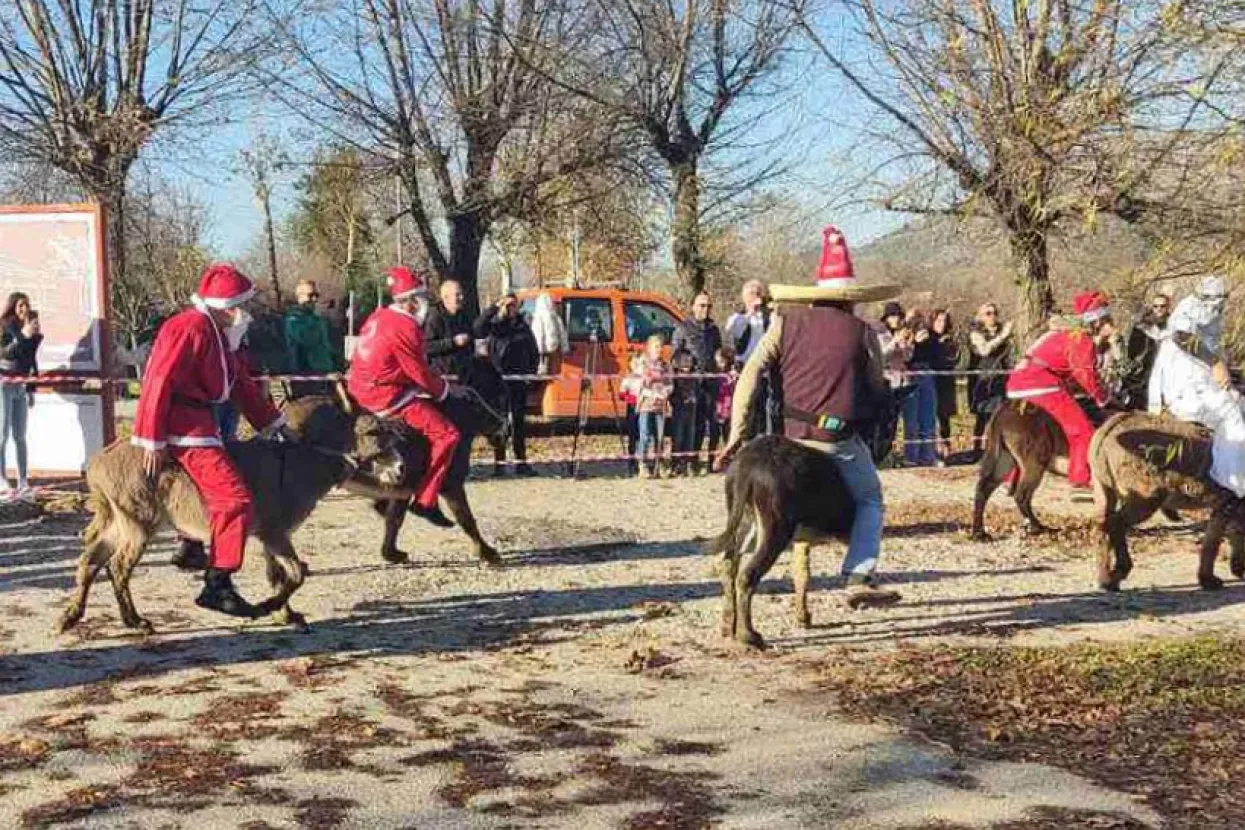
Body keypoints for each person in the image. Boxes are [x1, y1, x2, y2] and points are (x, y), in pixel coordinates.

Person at [719, 226, 902, 608]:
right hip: (837, 441)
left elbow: (750, 373)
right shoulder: (862, 332)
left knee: (761, 515)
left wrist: (736, 433)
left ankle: (737, 569)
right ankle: (858, 574)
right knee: (871, 498)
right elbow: (876, 386)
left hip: (789, 437)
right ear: (849, 299)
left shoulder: (785, 323)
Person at [131, 264, 293, 616]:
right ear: (226, 305)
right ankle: (217, 582)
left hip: (199, 424)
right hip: (184, 428)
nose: (243, 313)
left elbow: (240, 385)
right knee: (234, 499)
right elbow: (158, 379)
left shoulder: (215, 333)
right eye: (239, 305)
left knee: (233, 496)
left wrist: (274, 423)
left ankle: (205, 561)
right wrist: (152, 438)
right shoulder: (187, 327)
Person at [348, 267, 461, 527]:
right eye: (420, 296)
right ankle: (426, 500)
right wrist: (444, 390)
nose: (424, 302)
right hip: (385, 396)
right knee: (448, 434)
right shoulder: (406, 326)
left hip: (360, 387)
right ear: (410, 300)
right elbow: (419, 372)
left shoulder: (378, 316)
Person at [1005, 292, 1115, 490]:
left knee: (1032, 432)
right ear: (1097, 321)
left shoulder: (1062, 333)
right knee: (1083, 431)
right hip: (1040, 384)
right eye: (1107, 319)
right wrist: (1104, 399)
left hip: (1018, 383)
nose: (1110, 324)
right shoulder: (1080, 338)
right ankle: (1081, 479)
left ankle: (1011, 478)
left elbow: (1071, 372)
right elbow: (1085, 376)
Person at [1149, 276, 1245, 496]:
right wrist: (1216, 363)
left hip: (1200, 385)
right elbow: (1182, 336)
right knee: (1232, 418)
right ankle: (1232, 485)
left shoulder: (1201, 313)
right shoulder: (1188, 312)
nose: (1220, 308)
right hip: (1187, 391)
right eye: (1219, 303)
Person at [477, 293, 539, 476]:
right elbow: (479, 327)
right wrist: (495, 308)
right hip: (498, 379)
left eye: (514, 305)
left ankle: (521, 462)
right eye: (508, 305)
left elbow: (533, 350)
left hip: (518, 379)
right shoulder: (495, 326)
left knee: (519, 423)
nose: (511, 309)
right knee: (500, 421)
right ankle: (500, 463)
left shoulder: (523, 327)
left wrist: (531, 373)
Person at [672, 292, 723, 473]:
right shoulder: (683, 328)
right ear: (693, 306)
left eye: (708, 306)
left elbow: (718, 352)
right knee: (686, 425)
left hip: (710, 382)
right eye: (702, 305)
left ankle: (702, 460)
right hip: (689, 385)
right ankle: (681, 461)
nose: (705, 309)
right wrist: (688, 365)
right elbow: (676, 355)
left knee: (707, 424)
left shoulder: (714, 329)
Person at [0, 293, 42, 501]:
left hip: (21, 386)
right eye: (20, 305)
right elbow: (5, 354)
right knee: (2, 434)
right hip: (3, 385)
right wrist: (23, 335)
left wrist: (32, 388)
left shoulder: (30, 329)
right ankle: (2, 480)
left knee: (20, 435)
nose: (24, 309)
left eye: (27, 305)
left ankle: (23, 480)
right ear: (12, 307)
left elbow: (30, 361)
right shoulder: (4, 327)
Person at [726, 280, 780, 436]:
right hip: (745, 367)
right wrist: (749, 311)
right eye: (751, 294)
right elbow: (734, 332)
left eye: (757, 294)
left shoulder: (768, 317)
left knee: (766, 410)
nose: (755, 297)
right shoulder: (737, 317)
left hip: (765, 369)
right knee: (746, 409)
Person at [967, 302, 1013, 458]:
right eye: (988, 313)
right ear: (980, 316)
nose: (992, 316)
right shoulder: (976, 333)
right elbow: (984, 350)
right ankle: (976, 450)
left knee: (999, 415)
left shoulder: (1002, 332)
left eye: (994, 313)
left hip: (1001, 378)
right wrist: (1002, 337)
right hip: (983, 380)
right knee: (983, 416)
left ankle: (996, 450)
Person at [283, 279, 341, 398]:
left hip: (326, 373)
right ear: (299, 297)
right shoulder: (293, 320)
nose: (314, 299)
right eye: (310, 295)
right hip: (306, 374)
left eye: (316, 295)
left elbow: (327, 345)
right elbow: (308, 340)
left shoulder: (318, 320)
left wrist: (337, 363)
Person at [630, 334, 672, 478]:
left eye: (661, 346)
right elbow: (637, 384)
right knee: (645, 435)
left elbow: (670, 383)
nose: (659, 349)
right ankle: (642, 464)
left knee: (660, 436)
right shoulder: (643, 364)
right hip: (646, 405)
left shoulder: (665, 366)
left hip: (660, 406)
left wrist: (666, 391)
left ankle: (658, 464)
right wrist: (649, 393)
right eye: (655, 346)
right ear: (649, 348)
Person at [1122, 292, 1171, 410]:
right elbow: (1132, 351)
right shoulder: (1143, 326)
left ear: (1168, 307)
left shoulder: (1174, 325)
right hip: (1146, 369)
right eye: (1156, 306)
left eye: (1162, 306)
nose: (1159, 309)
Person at [903, 309, 938, 466]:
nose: (916, 323)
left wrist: (927, 340)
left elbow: (935, 355)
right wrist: (912, 341)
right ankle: (911, 457)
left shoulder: (930, 335)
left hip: (927, 373)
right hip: (910, 374)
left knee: (928, 418)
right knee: (911, 420)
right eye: (912, 319)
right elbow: (905, 357)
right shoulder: (903, 335)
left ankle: (928, 456)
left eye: (919, 319)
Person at [423, 279, 478, 378]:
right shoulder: (434, 316)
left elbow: (471, 339)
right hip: (443, 376)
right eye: (457, 295)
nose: (461, 298)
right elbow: (426, 346)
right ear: (445, 297)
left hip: (464, 374)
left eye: (461, 294)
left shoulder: (463, 315)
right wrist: (453, 342)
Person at [930, 309, 961, 465]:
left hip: (946, 382)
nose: (941, 324)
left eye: (944, 321)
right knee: (931, 418)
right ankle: (934, 451)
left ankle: (947, 451)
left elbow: (955, 361)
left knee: (944, 417)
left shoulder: (950, 340)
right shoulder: (929, 339)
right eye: (938, 321)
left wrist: (949, 347)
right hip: (931, 380)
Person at [529, 292, 568, 375]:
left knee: (543, 369)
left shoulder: (538, 317)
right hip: (554, 348)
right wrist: (565, 348)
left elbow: (539, 336)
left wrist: (538, 351)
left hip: (543, 350)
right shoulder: (555, 316)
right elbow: (562, 334)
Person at [714, 347, 737, 447]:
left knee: (727, 434)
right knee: (714, 435)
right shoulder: (716, 374)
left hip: (729, 407)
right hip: (719, 407)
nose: (719, 364)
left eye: (721, 362)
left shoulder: (732, 374)